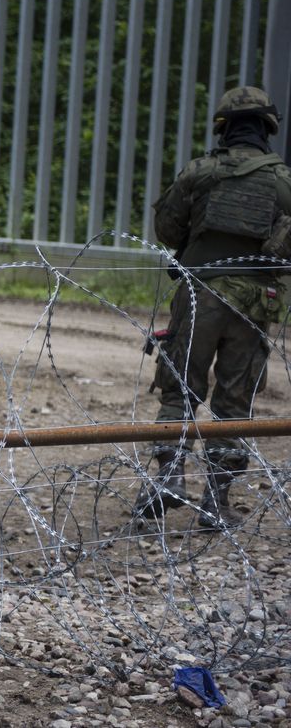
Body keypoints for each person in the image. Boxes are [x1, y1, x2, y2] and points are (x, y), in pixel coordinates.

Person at [135, 85, 289, 529]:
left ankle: (169, 479)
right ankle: (216, 503)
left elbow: (167, 228)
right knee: (234, 401)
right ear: (268, 128)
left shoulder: (199, 172)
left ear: (223, 127)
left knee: (179, 386)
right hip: (257, 302)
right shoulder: (282, 181)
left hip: (200, 293)